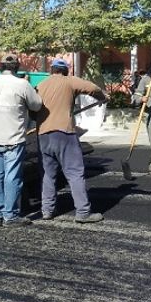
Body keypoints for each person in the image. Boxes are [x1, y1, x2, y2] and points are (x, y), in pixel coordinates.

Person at [36, 59, 108, 223]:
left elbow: (33, 109)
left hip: (43, 135)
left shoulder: (41, 85)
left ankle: (47, 210)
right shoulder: (69, 81)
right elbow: (92, 88)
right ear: (65, 71)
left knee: (47, 175)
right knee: (75, 173)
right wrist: (102, 96)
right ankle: (83, 212)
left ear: (52, 70)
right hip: (64, 133)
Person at [0, 54, 43, 227]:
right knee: (12, 177)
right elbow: (37, 105)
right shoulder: (22, 84)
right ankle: (11, 216)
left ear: (0, 67)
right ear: (16, 67)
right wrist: (31, 87)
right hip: (14, 140)